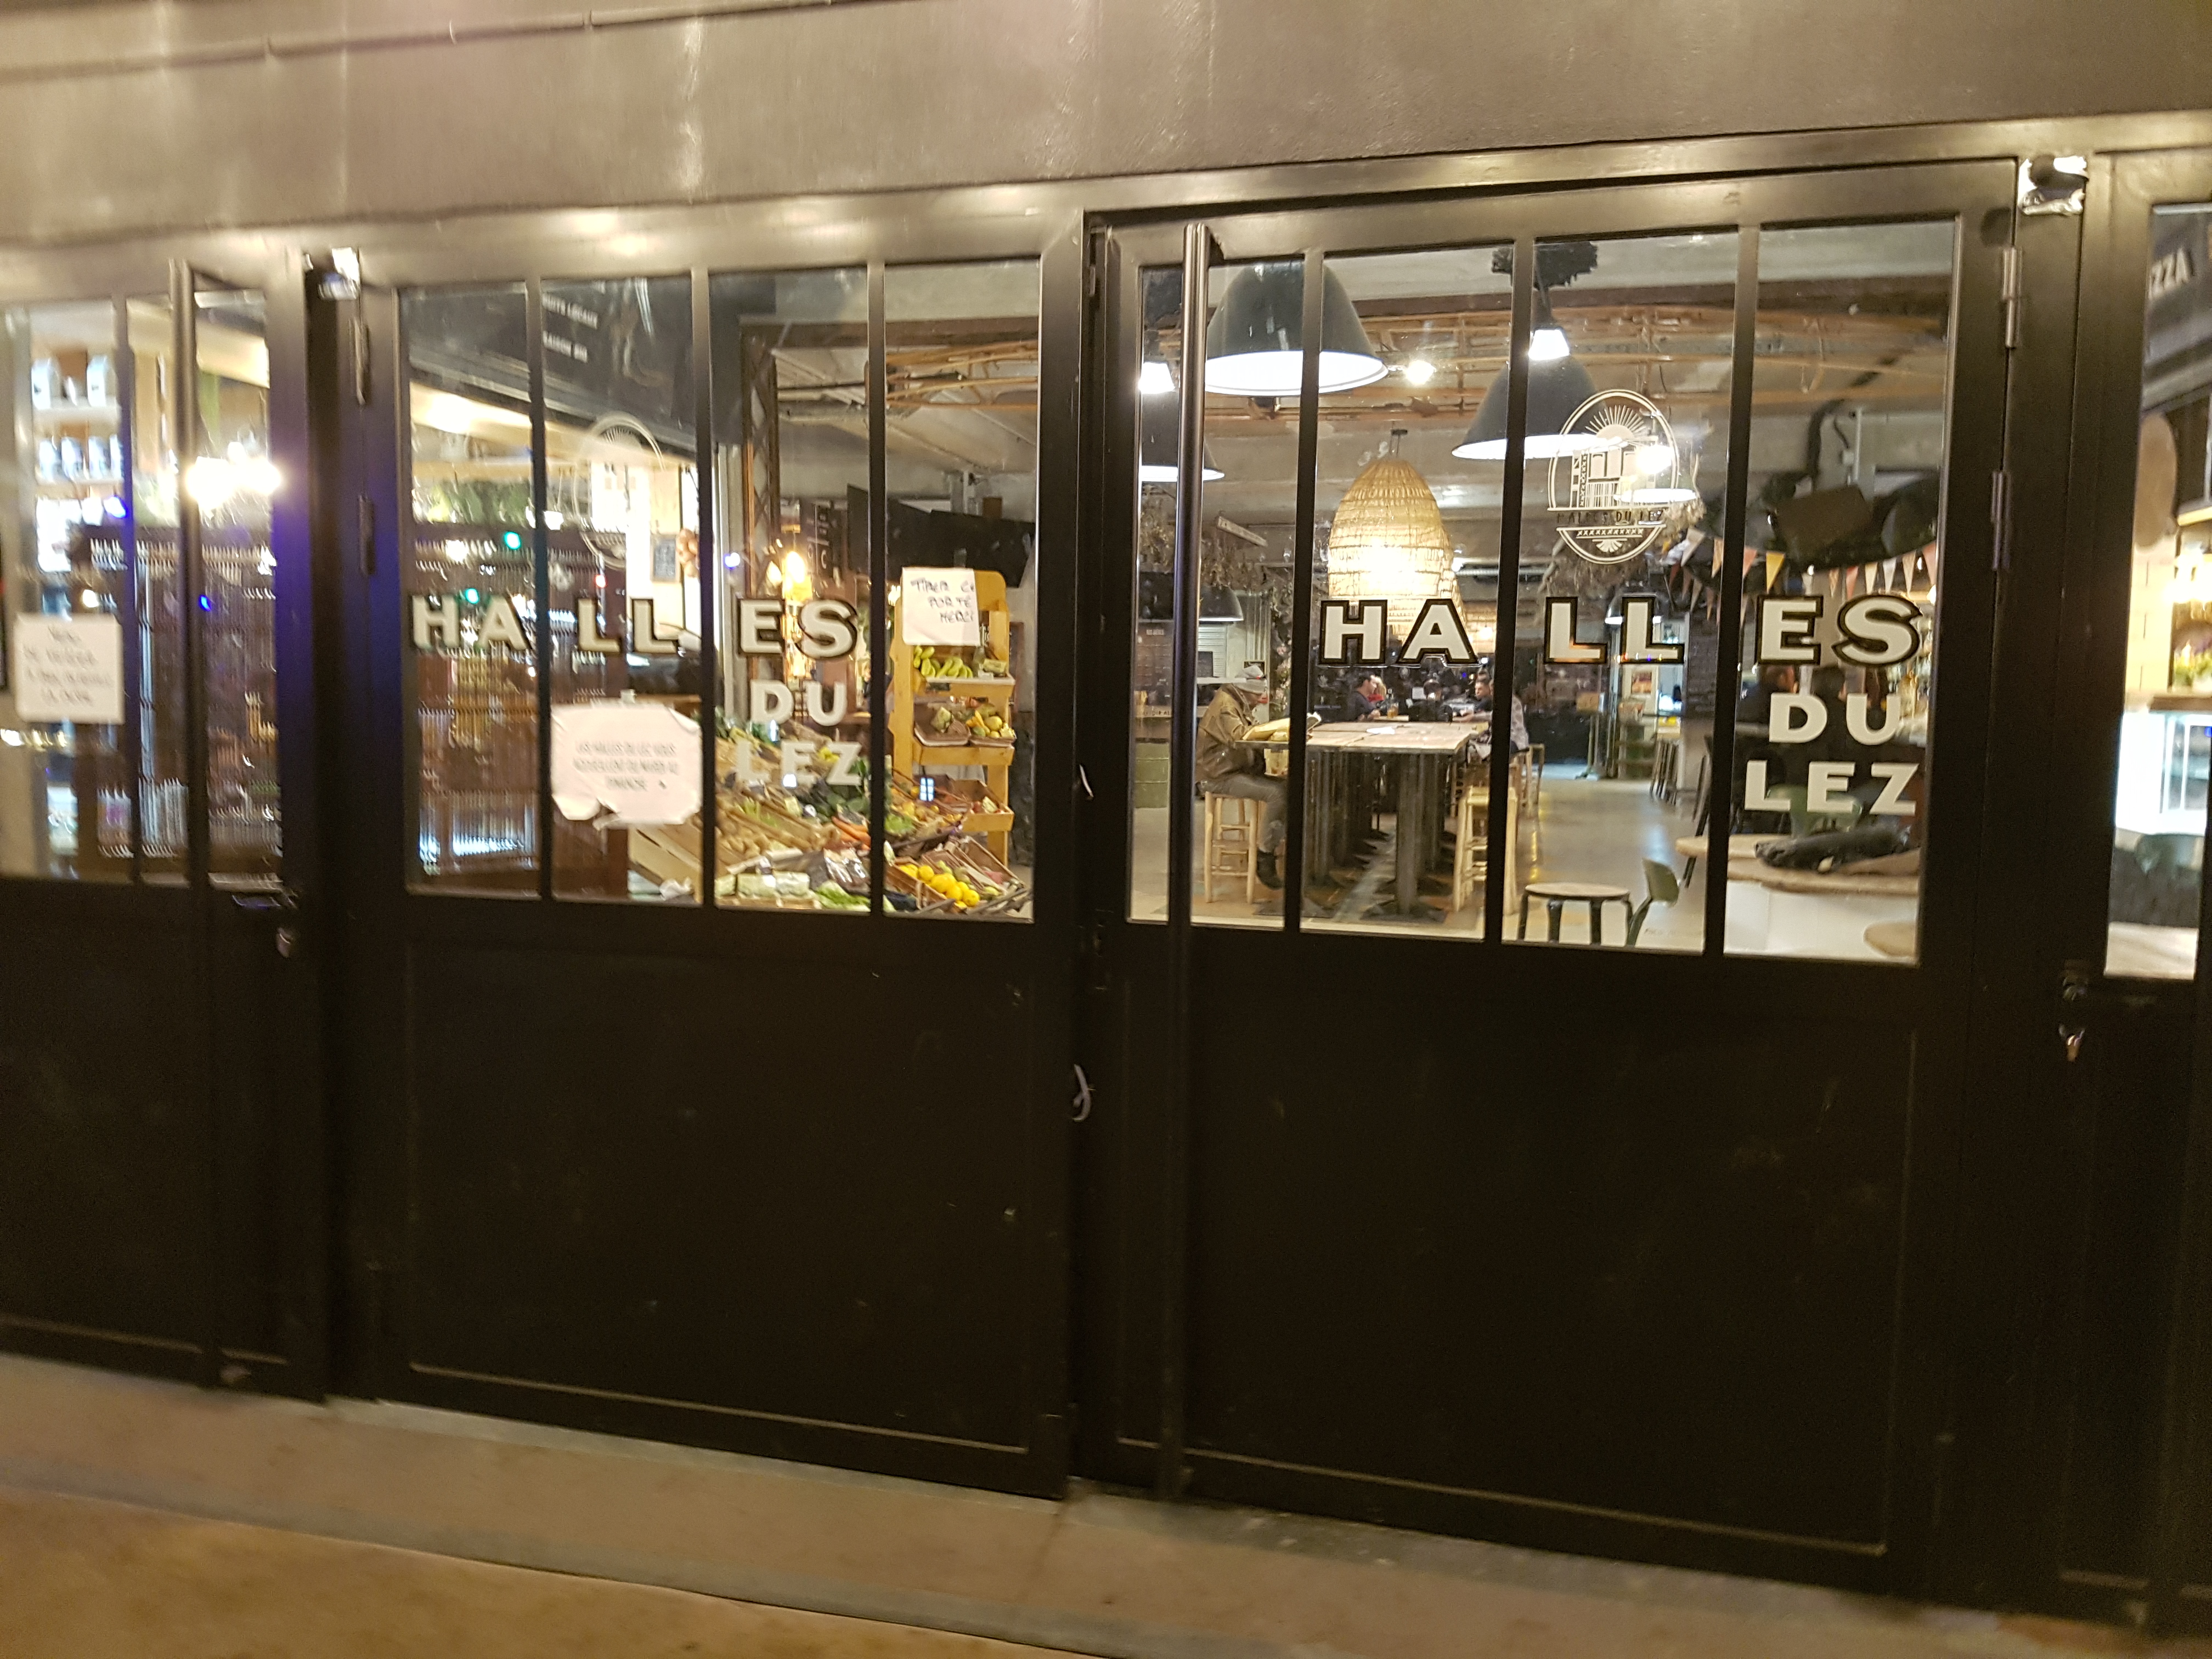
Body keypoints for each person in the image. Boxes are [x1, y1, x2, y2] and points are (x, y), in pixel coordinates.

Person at [1196, 680, 1286, 889]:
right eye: (1257, 696)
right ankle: (1265, 856)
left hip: (1230, 770)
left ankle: (1278, 844)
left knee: (1289, 786)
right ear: (1246, 692)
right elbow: (1240, 737)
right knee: (1277, 793)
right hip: (1218, 776)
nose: (1259, 701)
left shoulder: (1236, 702)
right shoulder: (1226, 707)